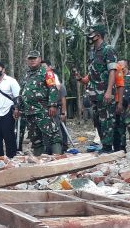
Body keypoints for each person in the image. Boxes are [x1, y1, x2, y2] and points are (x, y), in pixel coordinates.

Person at [75, 25, 117, 153]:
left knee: (106, 120)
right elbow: (92, 74)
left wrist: (109, 91)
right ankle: (104, 146)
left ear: (98, 35)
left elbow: (112, 71)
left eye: (91, 34)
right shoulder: (93, 52)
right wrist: (81, 79)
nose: (89, 37)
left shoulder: (108, 50)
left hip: (105, 92)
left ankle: (108, 148)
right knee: (98, 121)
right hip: (94, 95)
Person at [14, 50, 62, 155]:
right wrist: (17, 108)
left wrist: (53, 105)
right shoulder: (26, 75)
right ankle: (39, 160)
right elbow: (22, 92)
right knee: (35, 138)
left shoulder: (47, 72)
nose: (32, 61)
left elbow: (53, 88)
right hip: (29, 112)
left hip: (43, 110)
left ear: (40, 59)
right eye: (30, 59)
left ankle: (58, 158)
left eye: (34, 58)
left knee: (53, 135)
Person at [42, 60, 68, 152]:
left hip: (57, 110)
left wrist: (63, 112)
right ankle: (48, 149)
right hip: (46, 111)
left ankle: (62, 149)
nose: (43, 69)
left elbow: (63, 99)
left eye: (44, 67)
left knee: (59, 131)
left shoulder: (58, 84)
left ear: (49, 68)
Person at [113, 61, 126, 152]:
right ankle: (119, 148)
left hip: (126, 107)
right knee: (118, 127)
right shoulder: (115, 78)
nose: (120, 67)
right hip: (118, 105)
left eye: (121, 65)